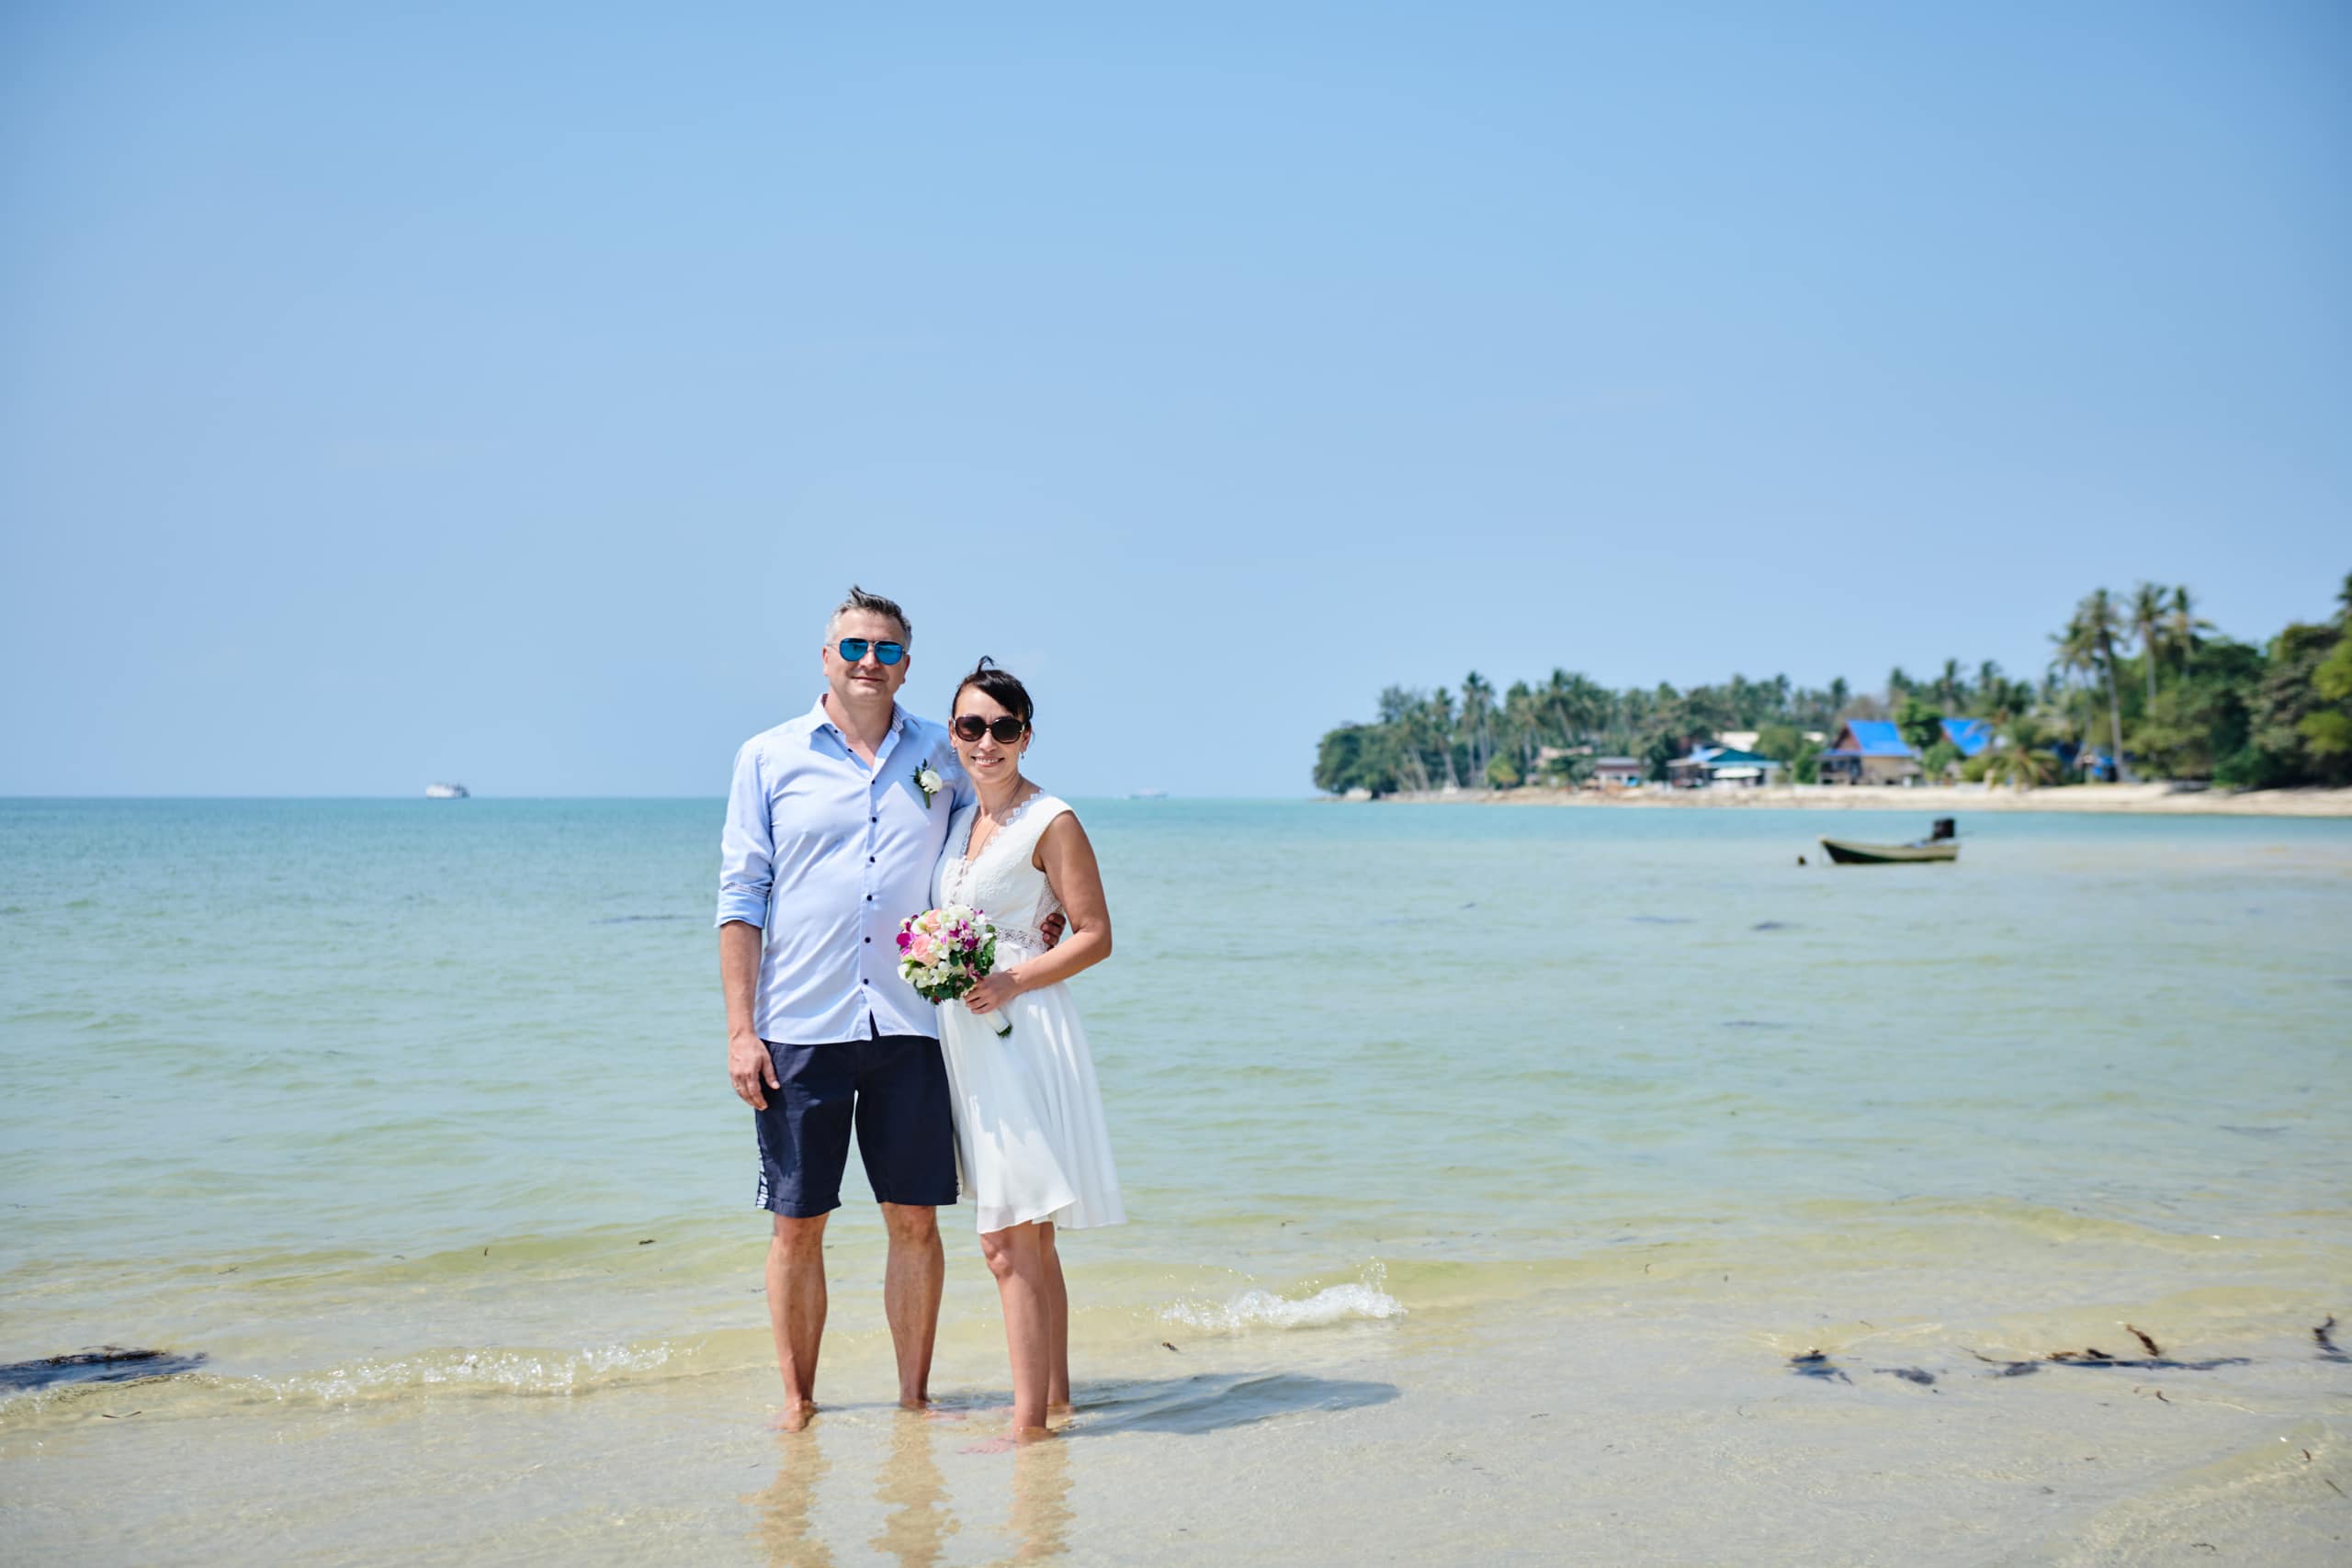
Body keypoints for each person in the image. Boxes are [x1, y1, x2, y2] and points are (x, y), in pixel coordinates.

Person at [716, 586, 989, 1432]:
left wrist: (1040, 918)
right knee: (797, 1224)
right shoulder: (767, 756)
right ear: (827, 656)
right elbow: (741, 897)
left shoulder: (943, 753)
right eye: (856, 647)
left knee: (915, 1221)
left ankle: (914, 1397)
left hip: (912, 1025)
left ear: (907, 664)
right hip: (799, 1026)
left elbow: (982, 856)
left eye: (888, 649)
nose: (871, 661)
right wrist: (740, 1031)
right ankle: (798, 1400)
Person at [931, 659, 1125, 1443]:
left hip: (1024, 1031)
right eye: (972, 725)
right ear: (953, 733)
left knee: (1007, 1238)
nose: (987, 741)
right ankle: (1054, 1402)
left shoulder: (1053, 819)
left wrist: (1012, 979)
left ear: (1026, 735)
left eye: (1003, 727)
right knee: (1029, 1236)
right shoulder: (957, 817)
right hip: (970, 1038)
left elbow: (1095, 934)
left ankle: (1027, 1428)